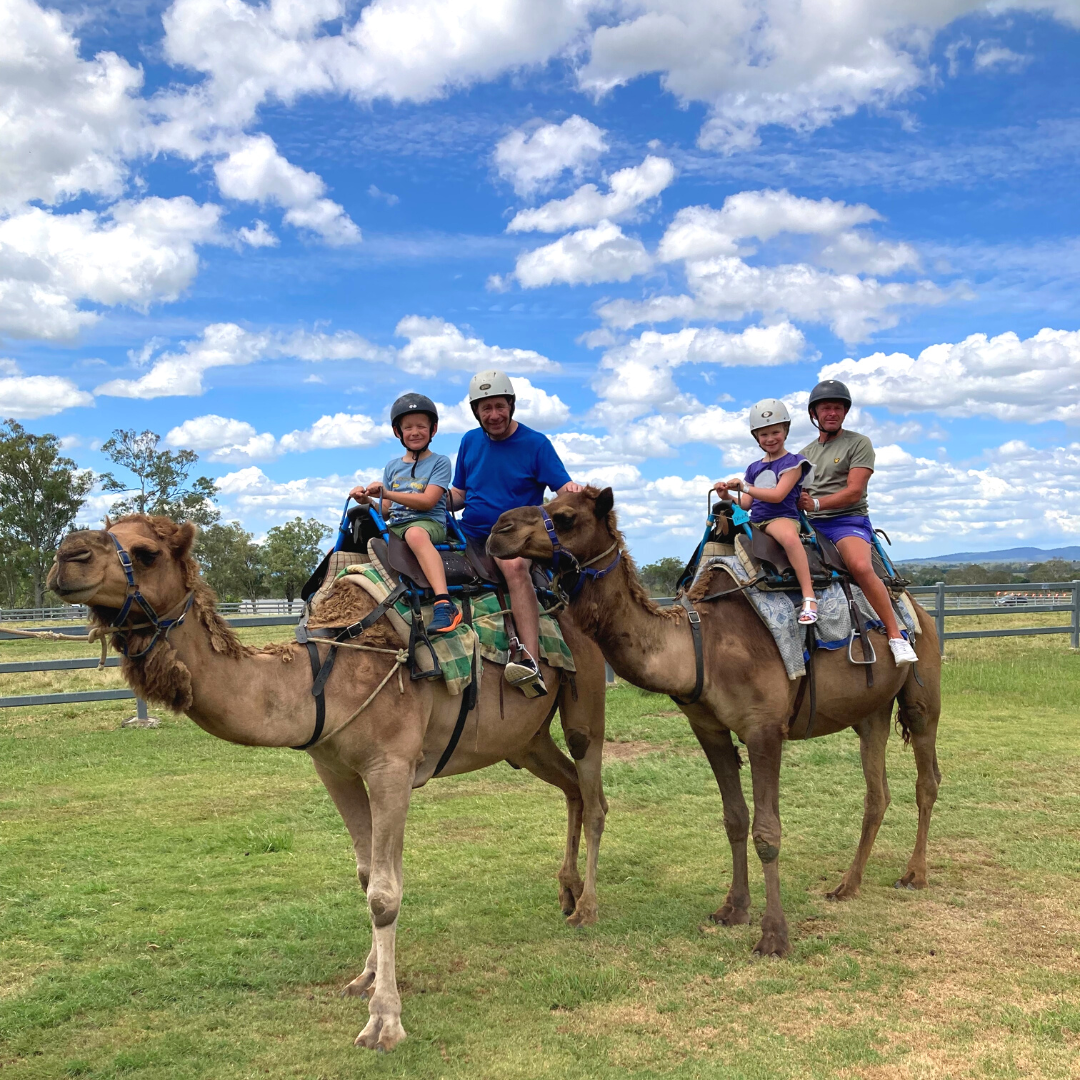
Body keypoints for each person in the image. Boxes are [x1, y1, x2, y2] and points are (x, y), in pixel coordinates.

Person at [449, 370, 583, 696]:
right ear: (476, 412)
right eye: (486, 409)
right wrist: (428, 497)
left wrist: (573, 490)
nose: (493, 415)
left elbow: (561, 487)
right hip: (472, 532)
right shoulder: (469, 441)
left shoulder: (536, 444)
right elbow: (460, 494)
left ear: (511, 404)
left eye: (499, 406)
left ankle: (529, 658)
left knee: (513, 566)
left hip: (516, 535)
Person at [796, 379, 919, 665]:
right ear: (814, 414)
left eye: (838, 408)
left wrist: (816, 503)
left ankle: (895, 635)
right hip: (809, 524)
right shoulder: (803, 455)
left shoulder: (859, 443)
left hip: (845, 520)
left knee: (861, 566)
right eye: (826, 408)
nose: (832, 413)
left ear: (845, 412)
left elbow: (854, 491)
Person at [350, 393, 460, 633]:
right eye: (408, 427)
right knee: (356, 538)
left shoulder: (440, 462)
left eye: (421, 426)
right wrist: (367, 499)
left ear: (433, 429)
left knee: (415, 535)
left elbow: (428, 501)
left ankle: (444, 602)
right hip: (398, 525)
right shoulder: (392, 466)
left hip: (428, 523)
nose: (415, 432)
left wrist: (387, 493)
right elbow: (387, 511)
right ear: (397, 432)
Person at [714, 399, 818, 624]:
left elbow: (778, 495)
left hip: (781, 517)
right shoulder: (753, 467)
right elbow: (747, 504)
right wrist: (728, 497)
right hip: (755, 520)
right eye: (764, 435)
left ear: (786, 431)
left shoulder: (794, 463)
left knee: (789, 538)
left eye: (775, 432)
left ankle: (809, 596)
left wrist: (743, 486)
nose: (770, 439)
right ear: (756, 438)